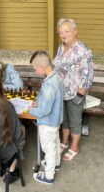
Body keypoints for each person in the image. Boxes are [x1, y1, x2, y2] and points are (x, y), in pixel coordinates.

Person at [52, 18, 93, 161]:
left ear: (75, 31)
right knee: (64, 120)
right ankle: (64, 141)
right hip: (61, 91)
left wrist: (80, 93)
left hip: (75, 93)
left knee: (75, 121)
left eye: (67, 31)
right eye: (61, 32)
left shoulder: (83, 50)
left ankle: (74, 147)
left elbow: (88, 74)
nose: (64, 35)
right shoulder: (61, 47)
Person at [28, 50, 63, 185]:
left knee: (48, 148)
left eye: (35, 69)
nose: (35, 71)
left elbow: (44, 111)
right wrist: (39, 101)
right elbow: (50, 100)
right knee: (54, 143)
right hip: (55, 120)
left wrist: (31, 110)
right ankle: (56, 164)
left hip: (47, 123)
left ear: (42, 67)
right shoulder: (56, 77)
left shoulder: (49, 85)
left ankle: (49, 175)